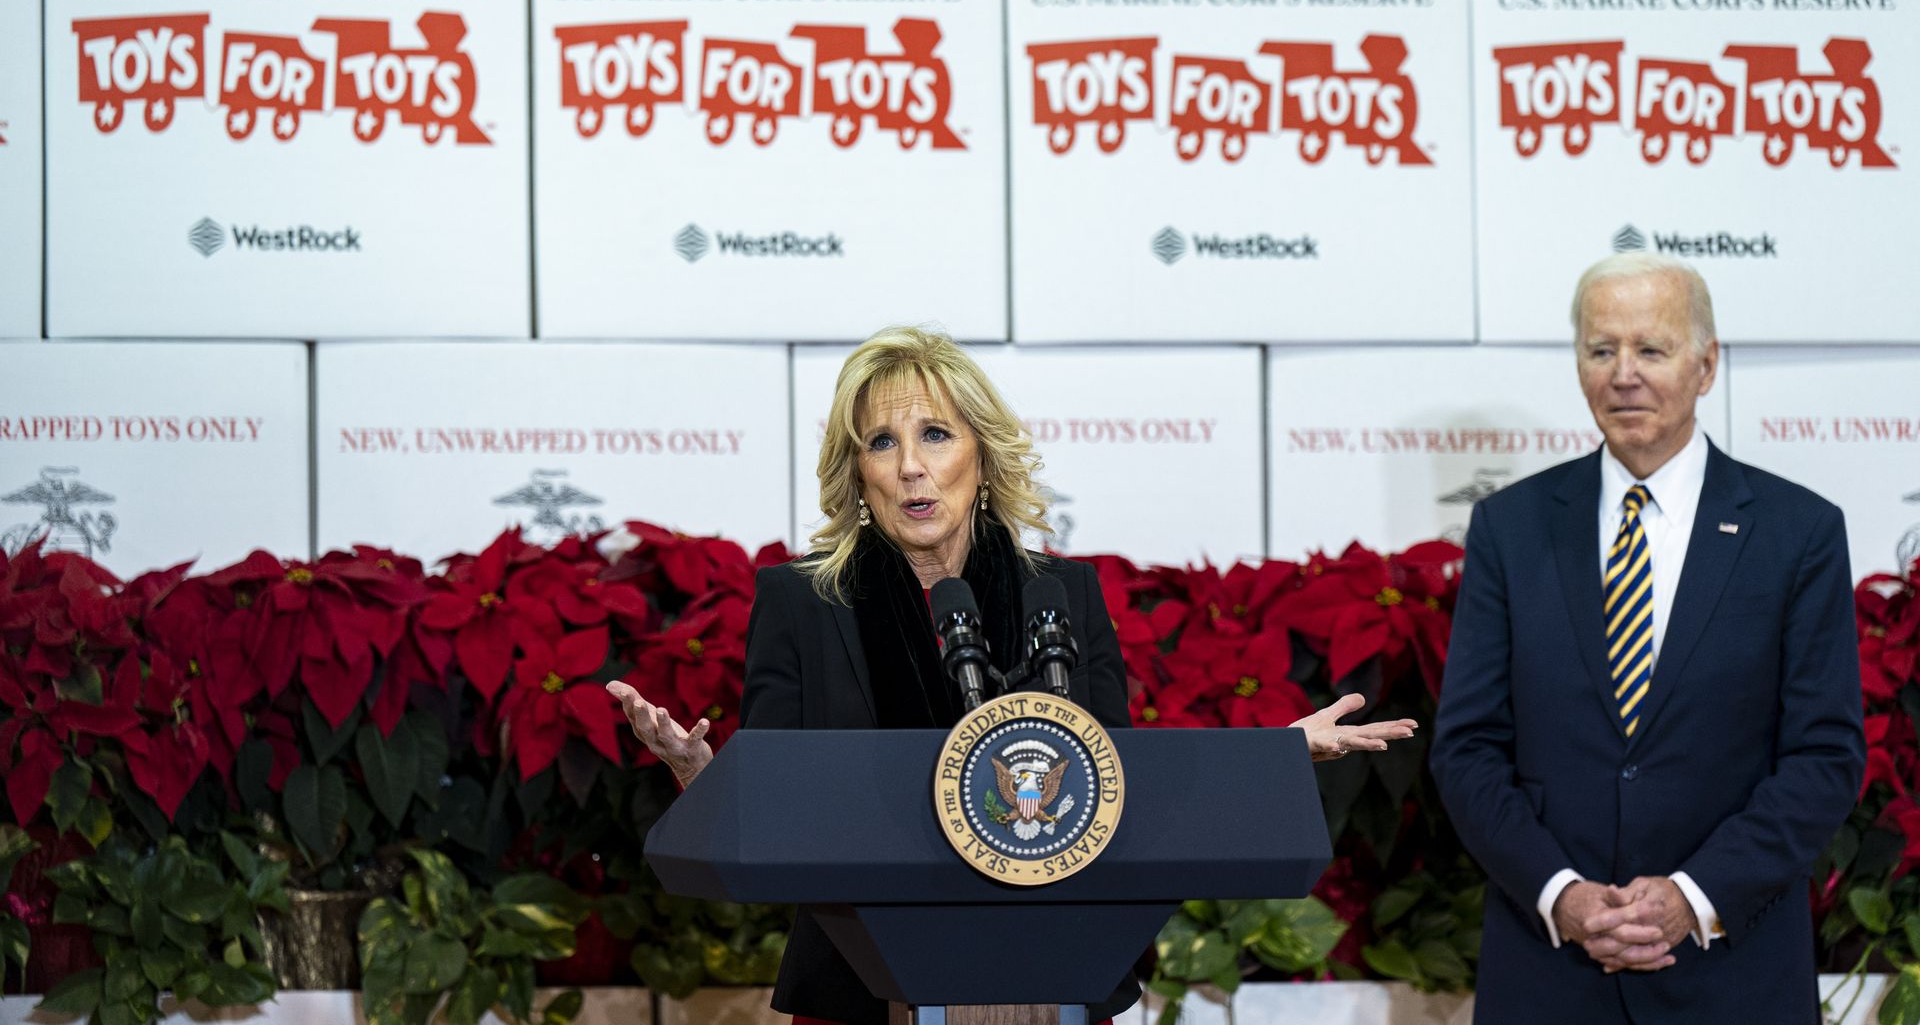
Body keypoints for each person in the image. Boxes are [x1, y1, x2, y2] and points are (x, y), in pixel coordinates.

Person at [608, 325, 1415, 1025]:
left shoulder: (1063, 596)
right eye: (882, 443)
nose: (912, 468)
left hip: (1057, 978)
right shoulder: (802, 602)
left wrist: (1272, 758)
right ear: (858, 474)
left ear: (982, 455)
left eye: (936, 435)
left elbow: (1115, 787)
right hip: (860, 990)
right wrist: (699, 773)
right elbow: (776, 800)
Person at [1429, 253, 1864, 1022]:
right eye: (1602, 350)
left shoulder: (1798, 534)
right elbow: (1466, 748)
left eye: (1651, 350)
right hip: (1550, 974)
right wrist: (1560, 894)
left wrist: (1692, 897)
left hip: (1731, 974)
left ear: (1706, 365)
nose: (1624, 374)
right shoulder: (1510, 528)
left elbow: (1824, 759)